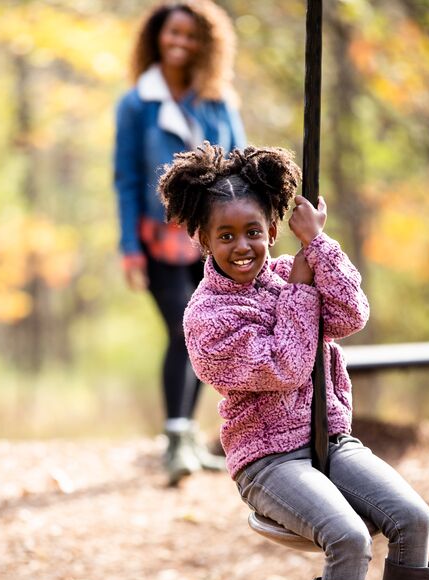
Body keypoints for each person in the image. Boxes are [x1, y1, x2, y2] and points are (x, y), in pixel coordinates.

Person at [163, 143, 429, 580]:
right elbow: (284, 366)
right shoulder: (206, 316)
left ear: (271, 229)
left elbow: (352, 314)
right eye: (228, 236)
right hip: (269, 460)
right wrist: (302, 290)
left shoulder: (294, 271)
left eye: (255, 232)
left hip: (330, 440)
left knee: (414, 520)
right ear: (205, 241)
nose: (244, 247)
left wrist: (317, 244)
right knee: (350, 539)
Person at [113, 1, 246, 486]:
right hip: (158, 242)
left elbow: (241, 165)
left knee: (201, 334)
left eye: (191, 36)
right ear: (157, 37)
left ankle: (188, 438)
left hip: (213, 242)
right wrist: (129, 247)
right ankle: (175, 442)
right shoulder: (136, 104)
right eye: (173, 33)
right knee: (183, 328)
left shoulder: (218, 100)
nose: (181, 43)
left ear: (205, 43)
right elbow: (126, 179)